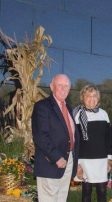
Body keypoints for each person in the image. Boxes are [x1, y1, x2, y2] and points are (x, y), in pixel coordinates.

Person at [32, 74, 79, 202]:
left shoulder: (68, 108)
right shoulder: (42, 106)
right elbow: (40, 135)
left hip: (68, 160)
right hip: (51, 162)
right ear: (52, 86)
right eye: (60, 85)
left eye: (67, 86)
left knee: (61, 198)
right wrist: (56, 157)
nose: (64, 89)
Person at [73, 85, 112, 202]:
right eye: (88, 96)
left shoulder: (103, 114)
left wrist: (108, 159)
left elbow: (108, 138)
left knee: (102, 192)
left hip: (101, 160)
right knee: (86, 193)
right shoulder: (76, 114)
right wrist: (78, 164)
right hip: (84, 161)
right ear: (83, 98)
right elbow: (75, 141)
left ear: (98, 98)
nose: (92, 98)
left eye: (94, 96)